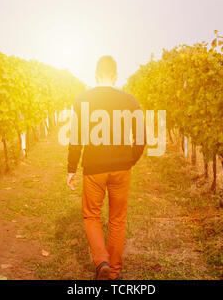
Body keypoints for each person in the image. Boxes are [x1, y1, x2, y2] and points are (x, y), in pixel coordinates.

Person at [66, 55, 145, 280]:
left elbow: (76, 137)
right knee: (117, 219)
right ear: (116, 75)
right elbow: (141, 138)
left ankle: (101, 261)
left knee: (91, 216)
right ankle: (114, 273)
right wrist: (130, 160)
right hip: (122, 168)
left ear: (96, 74)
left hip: (94, 169)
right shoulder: (130, 100)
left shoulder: (82, 100)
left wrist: (71, 169)